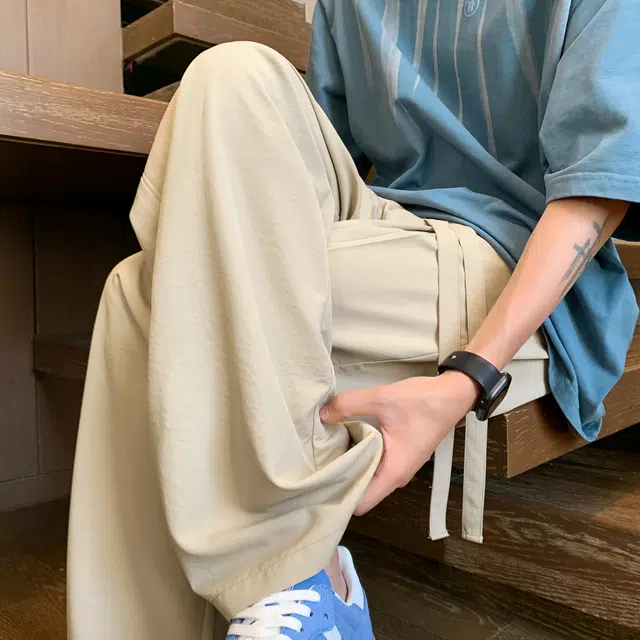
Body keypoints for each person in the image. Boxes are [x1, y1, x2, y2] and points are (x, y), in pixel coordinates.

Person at [67, 1, 639, 639]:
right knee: (230, 73)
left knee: (141, 296)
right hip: (384, 220)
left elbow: (597, 184)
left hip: (510, 243)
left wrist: (466, 379)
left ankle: (294, 573)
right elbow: (301, 154)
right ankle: (299, 584)